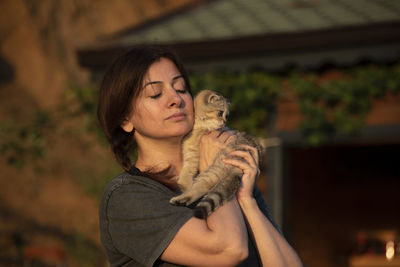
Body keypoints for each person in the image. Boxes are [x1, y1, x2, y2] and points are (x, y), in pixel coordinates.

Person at [97, 45, 303, 267]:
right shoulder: (126, 197)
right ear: (126, 119)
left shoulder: (229, 173)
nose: (175, 99)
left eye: (182, 88)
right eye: (155, 93)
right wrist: (214, 176)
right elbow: (229, 250)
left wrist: (247, 200)